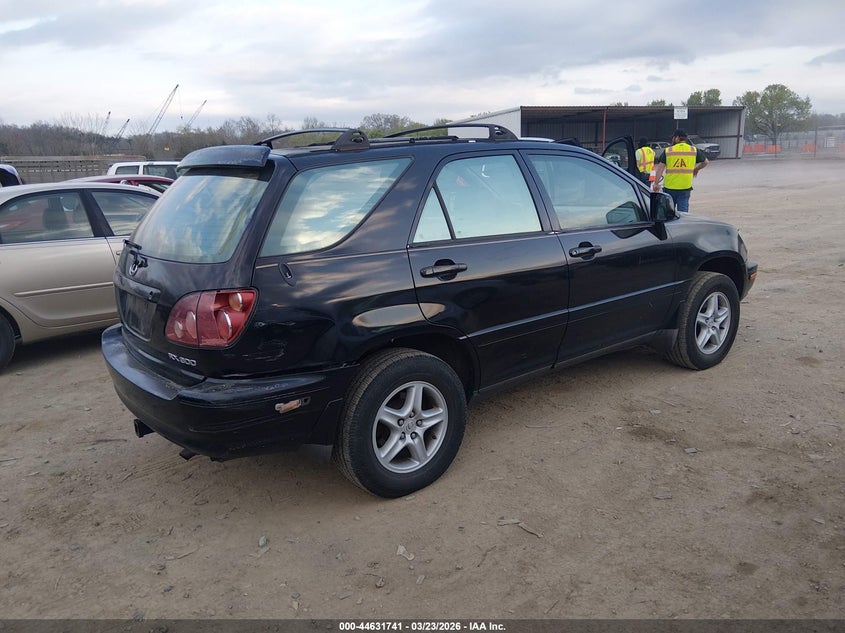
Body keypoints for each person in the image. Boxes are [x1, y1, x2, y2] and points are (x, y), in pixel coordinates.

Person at [652, 129, 708, 212]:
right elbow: (705, 162)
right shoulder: (693, 150)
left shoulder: (668, 151)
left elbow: (660, 168)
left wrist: (656, 183)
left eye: (673, 138)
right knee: (683, 214)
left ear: (677, 138)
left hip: (669, 187)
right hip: (685, 187)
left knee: (668, 213)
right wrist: (696, 169)